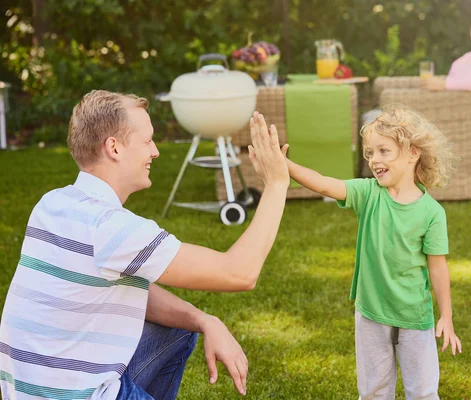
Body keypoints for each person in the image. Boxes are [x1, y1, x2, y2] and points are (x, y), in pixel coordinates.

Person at [0, 90, 289, 399]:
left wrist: (205, 320)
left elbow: (125, 285)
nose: (155, 152)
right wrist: (276, 183)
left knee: (178, 329)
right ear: (114, 148)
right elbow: (240, 272)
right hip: (74, 394)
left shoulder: (54, 203)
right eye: (147, 140)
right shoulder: (113, 228)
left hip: (29, 390)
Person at [283, 105, 461, 399]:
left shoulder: (432, 213)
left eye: (383, 151)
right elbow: (327, 185)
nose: (374, 160)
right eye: (370, 153)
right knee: (374, 391)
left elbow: (438, 268)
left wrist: (447, 316)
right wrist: (286, 165)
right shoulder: (368, 193)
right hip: (372, 312)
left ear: (412, 153)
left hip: (414, 315)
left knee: (423, 392)